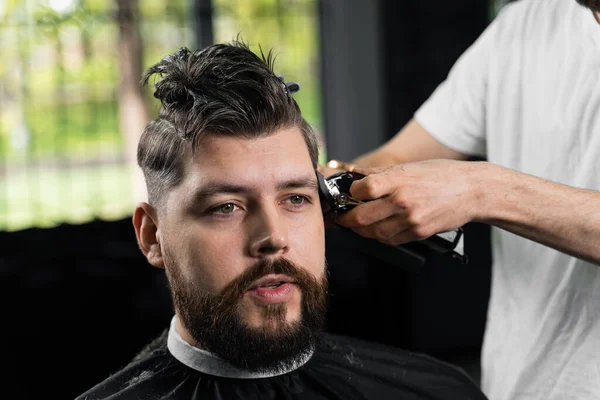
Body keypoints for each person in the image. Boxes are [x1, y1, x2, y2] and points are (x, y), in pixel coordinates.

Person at [74, 41, 487, 400]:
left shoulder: (437, 390)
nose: (273, 238)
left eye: (295, 198)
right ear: (152, 236)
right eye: (226, 207)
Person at [319, 0, 600, 399]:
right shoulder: (525, 23)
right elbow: (396, 158)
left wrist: (481, 189)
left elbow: (476, 188)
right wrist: (328, 185)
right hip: (515, 384)